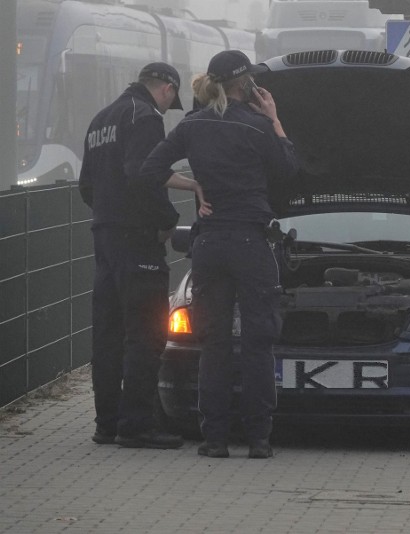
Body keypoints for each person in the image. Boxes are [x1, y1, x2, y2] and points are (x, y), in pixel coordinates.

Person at [138, 50, 299, 459]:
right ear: (246, 85)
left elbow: (150, 168)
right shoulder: (258, 126)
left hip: (208, 244)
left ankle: (214, 440)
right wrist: (276, 118)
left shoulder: (192, 125)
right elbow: (288, 169)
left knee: (214, 343)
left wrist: (193, 187)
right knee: (259, 342)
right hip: (250, 242)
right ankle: (260, 440)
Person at [78, 63, 203, 449]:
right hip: (138, 240)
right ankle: (137, 425)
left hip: (105, 237)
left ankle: (107, 423)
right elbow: (143, 171)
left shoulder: (101, 118)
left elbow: (86, 186)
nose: (168, 108)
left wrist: (108, 215)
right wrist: (166, 219)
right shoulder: (145, 116)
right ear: (166, 88)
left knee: (109, 334)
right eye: (171, 100)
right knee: (146, 333)